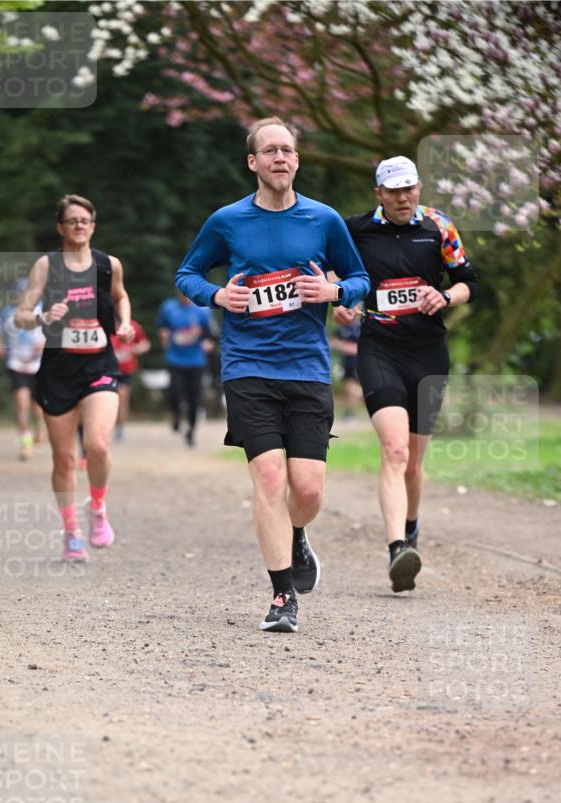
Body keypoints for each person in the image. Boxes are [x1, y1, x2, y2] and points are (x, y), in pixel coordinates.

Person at [176, 116, 369, 633]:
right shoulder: (227, 221)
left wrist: (335, 293)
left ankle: (297, 533)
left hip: (307, 366)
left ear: (297, 160)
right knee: (268, 477)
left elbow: (359, 279)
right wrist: (217, 295)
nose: (280, 158)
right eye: (270, 151)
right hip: (247, 366)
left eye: (288, 150)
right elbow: (187, 274)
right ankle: (283, 595)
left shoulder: (324, 220)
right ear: (253, 162)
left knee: (306, 491)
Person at [334, 156, 478, 592]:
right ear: (379, 193)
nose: (403, 197)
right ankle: (397, 548)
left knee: (414, 462)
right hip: (379, 347)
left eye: (409, 188)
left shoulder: (439, 226)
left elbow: (469, 281)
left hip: (429, 352)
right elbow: (331, 272)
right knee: (394, 451)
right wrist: (338, 301)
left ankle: (410, 529)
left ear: (418, 188)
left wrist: (446, 296)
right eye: (393, 190)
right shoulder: (355, 229)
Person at [14, 194, 134, 562]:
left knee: (97, 444)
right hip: (57, 371)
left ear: (93, 226)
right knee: (64, 459)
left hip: (99, 366)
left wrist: (126, 322)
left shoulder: (107, 264)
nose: (79, 225)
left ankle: (97, 507)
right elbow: (21, 315)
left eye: (85, 220)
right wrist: (42, 317)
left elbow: (120, 297)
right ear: (61, 227)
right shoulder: (47, 267)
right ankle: (71, 533)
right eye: (72, 220)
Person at [0, 278, 46, 460]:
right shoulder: (7, 313)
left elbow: (55, 331)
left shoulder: (42, 310)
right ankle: (26, 442)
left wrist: (45, 345)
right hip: (17, 364)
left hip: (38, 365)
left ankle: (40, 430)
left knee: (38, 408)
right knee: (22, 403)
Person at [156, 290, 213, 447]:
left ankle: (191, 431)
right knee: (174, 392)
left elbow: (209, 334)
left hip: (196, 361)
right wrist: (164, 335)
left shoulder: (202, 310)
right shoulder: (168, 308)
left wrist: (208, 343)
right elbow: (162, 326)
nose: (184, 296)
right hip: (175, 359)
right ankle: (176, 415)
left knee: (195, 398)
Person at [111, 317, 151, 441]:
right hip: (107, 370)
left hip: (126, 370)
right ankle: (109, 426)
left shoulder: (133, 326)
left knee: (122, 397)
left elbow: (145, 344)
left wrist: (136, 349)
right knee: (110, 399)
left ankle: (119, 427)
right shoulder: (102, 326)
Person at [330, 310, 363, 419]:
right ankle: (349, 412)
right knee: (348, 388)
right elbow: (333, 342)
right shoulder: (342, 327)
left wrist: (354, 349)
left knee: (351, 387)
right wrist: (344, 346)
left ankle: (350, 412)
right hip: (346, 362)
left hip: (357, 362)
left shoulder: (360, 326)